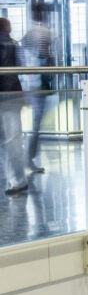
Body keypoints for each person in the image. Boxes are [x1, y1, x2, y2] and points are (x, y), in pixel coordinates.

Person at [21, 4, 54, 173]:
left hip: (34, 85)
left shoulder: (33, 33)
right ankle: (28, 158)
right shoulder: (41, 33)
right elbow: (42, 59)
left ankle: (29, 157)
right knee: (35, 124)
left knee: (36, 123)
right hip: (35, 85)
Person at [0, 18, 27, 194]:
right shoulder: (13, 45)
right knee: (11, 140)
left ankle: (16, 179)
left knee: (7, 141)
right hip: (10, 97)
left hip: (8, 97)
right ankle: (16, 179)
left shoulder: (11, 45)